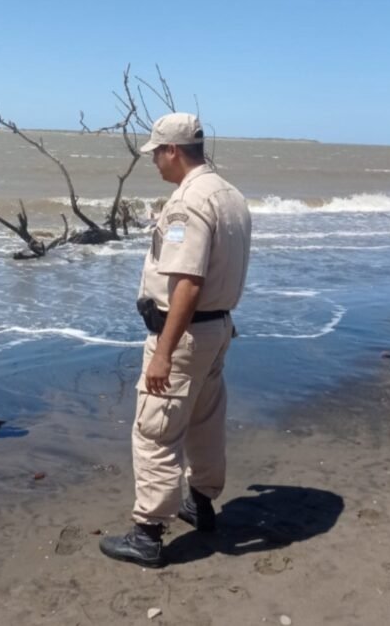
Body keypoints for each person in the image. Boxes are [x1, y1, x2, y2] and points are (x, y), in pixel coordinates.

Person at [99, 113, 252, 567]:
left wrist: (163, 352)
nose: (154, 164)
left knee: (155, 430)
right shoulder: (231, 195)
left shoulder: (188, 202)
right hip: (217, 329)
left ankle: (147, 534)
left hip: (184, 333)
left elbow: (187, 282)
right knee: (204, 421)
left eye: (156, 154)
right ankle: (200, 504)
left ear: (172, 151)